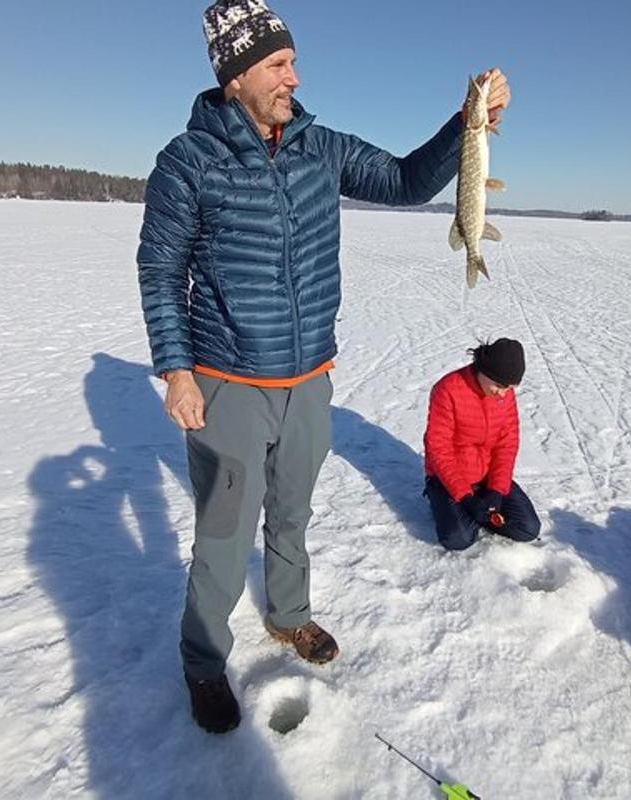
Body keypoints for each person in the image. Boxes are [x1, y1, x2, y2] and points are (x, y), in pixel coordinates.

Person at [137, 0, 512, 734]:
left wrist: (465, 127)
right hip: (228, 382)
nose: (294, 76)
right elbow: (159, 270)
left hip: (309, 378)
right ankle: (204, 662)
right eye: (278, 63)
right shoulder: (188, 162)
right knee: (222, 532)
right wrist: (177, 370)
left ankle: (290, 616)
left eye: (293, 60)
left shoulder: (321, 147)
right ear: (236, 73)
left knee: (294, 512)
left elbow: (407, 181)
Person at [424, 338, 540, 550]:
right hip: (450, 478)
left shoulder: (505, 393)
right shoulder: (447, 389)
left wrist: (496, 489)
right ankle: (446, 503)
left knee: (528, 528)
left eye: (510, 388)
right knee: (458, 539)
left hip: (487, 476)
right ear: (484, 371)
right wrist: (466, 498)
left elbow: (507, 443)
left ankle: (479, 512)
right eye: (499, 386)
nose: (503, 393)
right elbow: (438, 449)